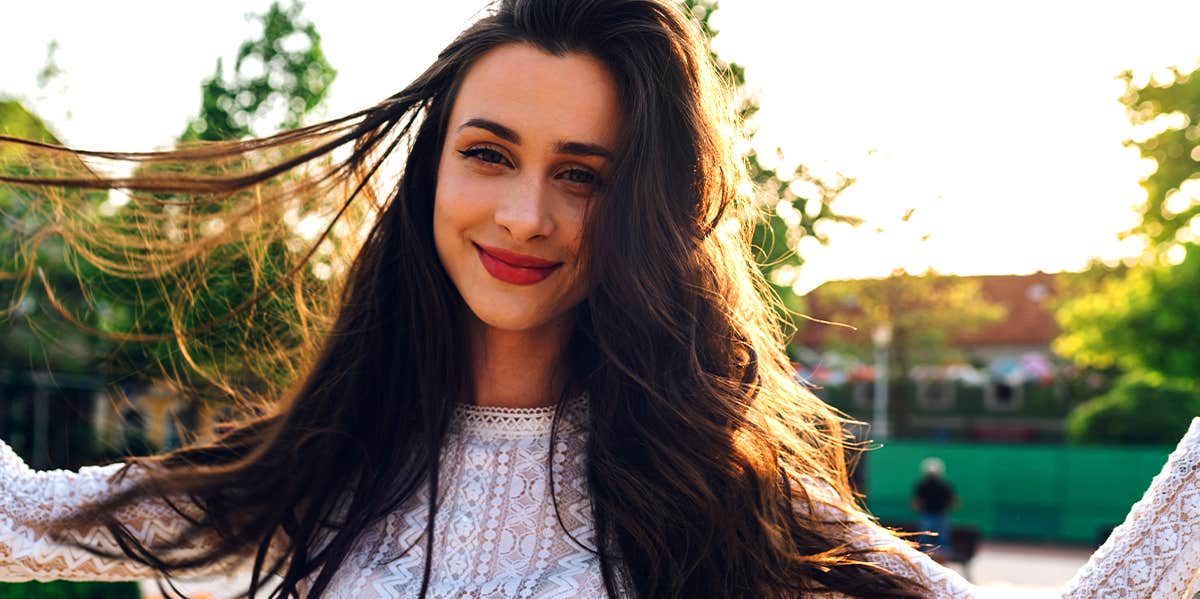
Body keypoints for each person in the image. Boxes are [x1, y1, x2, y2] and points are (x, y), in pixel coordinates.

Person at [0, 1, 1197, 597]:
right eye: (489, 153)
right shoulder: (305, 477)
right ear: (434, 174)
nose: (526, 214)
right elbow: (20, 513)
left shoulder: (728, 503)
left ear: (644, 215)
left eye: (584, 177)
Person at [911, 457, 957, 561]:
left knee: (935, 540)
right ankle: (930, 559)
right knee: (937, 541)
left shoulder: (924, 484)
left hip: (933, 515)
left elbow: (916, 502)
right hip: (935, 514)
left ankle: (933, 560)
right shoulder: (941, 484)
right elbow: (953, 501)